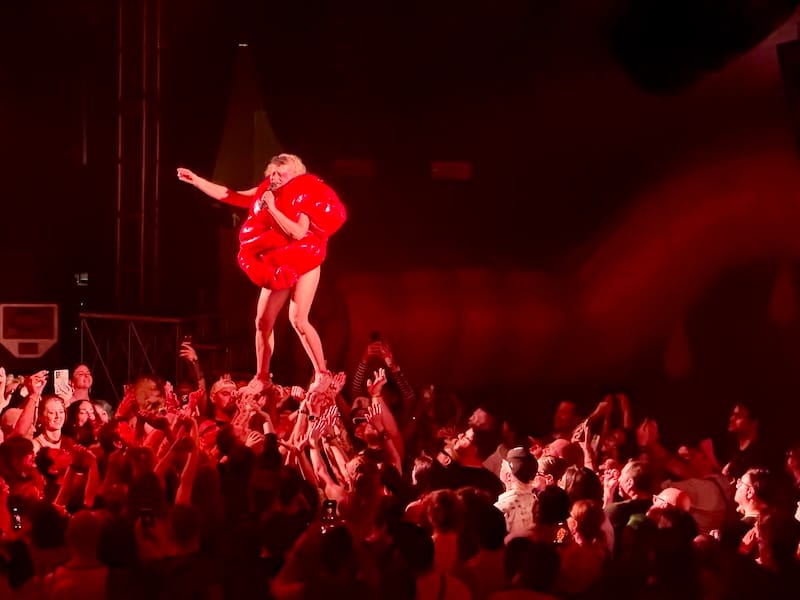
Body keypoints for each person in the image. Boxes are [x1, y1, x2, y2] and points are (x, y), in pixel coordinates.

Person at [177, 153, 347, 391]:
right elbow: (231, 195)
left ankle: (322, 372)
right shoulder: (266, 191)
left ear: (294, 176)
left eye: (281, 174)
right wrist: (197, 181)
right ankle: (263, 376)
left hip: (304, 260)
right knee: (263, 321)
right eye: (273, 173)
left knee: (298, 319)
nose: (275, 177)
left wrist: (273, 208)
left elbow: (298, 233)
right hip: (279, 262)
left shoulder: (304, 196)